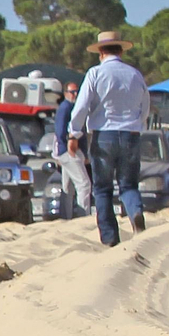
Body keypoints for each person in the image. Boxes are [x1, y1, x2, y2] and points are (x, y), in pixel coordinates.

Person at [68, 31, 150, 246]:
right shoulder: (135, 74)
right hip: (130, 134)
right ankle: (135, 213)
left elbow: (82, 106)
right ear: (121, 51)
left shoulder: (95, 74)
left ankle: (110, 238)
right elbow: (145, 105)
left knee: (103, 189)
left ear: (101, 52)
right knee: (129, 185)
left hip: (103, 135)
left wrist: (74, 133)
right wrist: (137, 125)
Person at [54, 81, 91, 217]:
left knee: (68, 187)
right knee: (84, 184)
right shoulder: (65, 107)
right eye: (72, 92)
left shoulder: (74, 107)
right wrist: (67, 146)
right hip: (68, 151)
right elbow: (59, 131)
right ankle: (83, 217)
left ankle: (65, 217)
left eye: (77, 92)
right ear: (65, 94)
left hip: (73, 150)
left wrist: (84, 153)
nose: (75, 95)